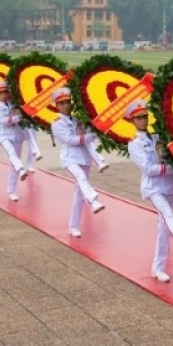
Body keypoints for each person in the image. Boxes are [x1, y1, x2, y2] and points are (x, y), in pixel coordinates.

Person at [125, 100, 173, 282]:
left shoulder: (157, 137)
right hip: (153, 188)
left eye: (145, 117)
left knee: (164, 229)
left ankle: (158, 267)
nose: (143, 121)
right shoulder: (134, 143)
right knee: (169, 216)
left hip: (168, 186)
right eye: (139, 118)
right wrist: (170, 168)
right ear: (132, 121)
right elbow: (148, 169)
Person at [51, 88, 105, 237]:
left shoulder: (78, 119)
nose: (66, 105)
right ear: (57, 106)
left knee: (79, 194)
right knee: (80, 177)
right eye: (62, 103)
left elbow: (88, 136)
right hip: (69, 159)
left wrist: (94, 130)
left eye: (67, 102)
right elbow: (71, 140)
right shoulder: (56, 124)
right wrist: (91, 135)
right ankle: (94, 200)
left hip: (84, 158)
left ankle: (73, 225)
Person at [0, 82, 30, 201]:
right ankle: (21, 169)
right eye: (1, 93)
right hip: (4, 136)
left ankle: (11, 190)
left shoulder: (13, 103)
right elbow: (2, 121)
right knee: (12, 154)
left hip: (17, 135)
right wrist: (17, 118)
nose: (3, 95)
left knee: (14, 161)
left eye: (5, 92)